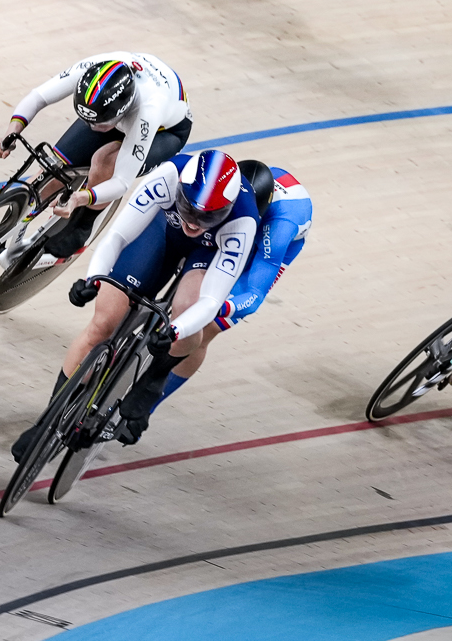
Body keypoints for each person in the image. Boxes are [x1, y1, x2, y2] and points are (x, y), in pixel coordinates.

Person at [11, 149, 257, 458]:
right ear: (180, 188)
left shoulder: (243, 222)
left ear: (227, 209)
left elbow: (210, 301)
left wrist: (177, 329)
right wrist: (94, 278)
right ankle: (47, 421)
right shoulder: (168, 176)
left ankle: (153, 378)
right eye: (189, 209)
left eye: (207, 216)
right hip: (161, 231)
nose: (194, 222)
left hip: (205, 255)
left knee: (186, 309)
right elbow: (116, 237)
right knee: (102, 323)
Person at [111, 159, 313, 444]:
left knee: (207, 328)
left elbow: (253, 294)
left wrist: (218, 306)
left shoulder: (280, 227)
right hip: (223, 220)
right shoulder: (227, 195)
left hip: (268, 245)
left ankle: (150, 400)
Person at [0, 52, 189, 265]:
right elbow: (38, 97)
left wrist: (79, 198)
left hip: (165, 132)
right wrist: (11, 133)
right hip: (108, 110)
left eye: (99, 125)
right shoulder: (91, 71)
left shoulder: (148, 112)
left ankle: (82, 227)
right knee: (51, 172)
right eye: (87, 120)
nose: (94, 129)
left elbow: (121, 182)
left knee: (104, 162)